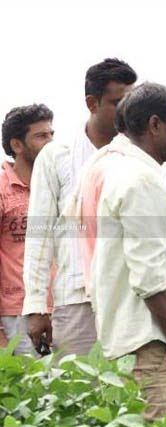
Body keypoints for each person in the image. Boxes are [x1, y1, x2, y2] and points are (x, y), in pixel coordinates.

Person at [80, 82, 166, 420]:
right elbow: (149, 278)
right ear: (154, 125)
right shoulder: (139, 181)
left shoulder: (136, 173)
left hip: (145, 343)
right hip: (151, 346)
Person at [23, 58, 137, 356]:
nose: (127, 112)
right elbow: (39, 233)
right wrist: (36, 306)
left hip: (130, 299)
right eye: (117, 102)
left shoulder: (137, 156)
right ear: (92, 103)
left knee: (130, 394)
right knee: (78, 392)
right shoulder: (57, 156)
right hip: (76, 298)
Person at [1, 104, 54, 354]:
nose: (51, 142)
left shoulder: (59, 185)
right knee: (30, 389)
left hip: (60, 308)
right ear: (17, 145)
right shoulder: (3, 190)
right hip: (16, 313)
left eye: (52, 134)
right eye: (41, 136)